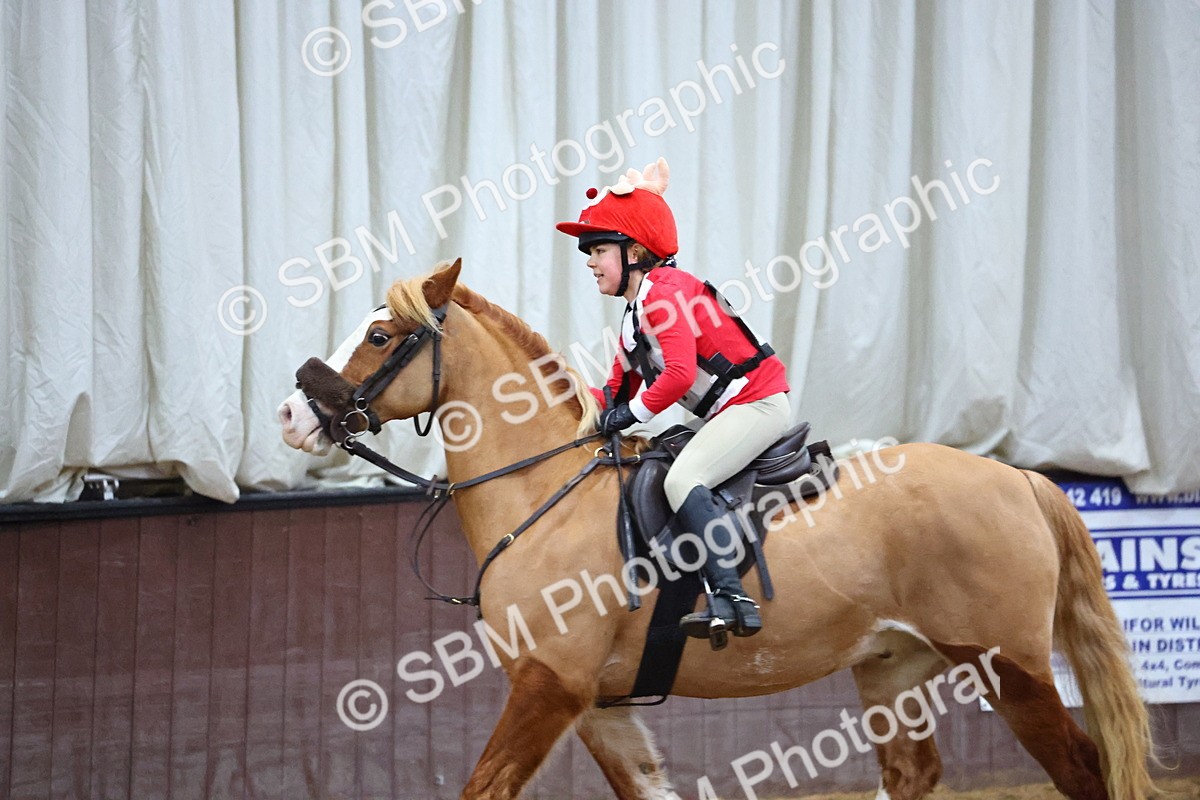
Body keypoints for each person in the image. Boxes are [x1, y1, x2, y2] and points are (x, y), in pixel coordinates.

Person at [556, 157, 791, 642]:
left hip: (759, 403)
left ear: (635, 252)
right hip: (731, 410)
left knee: (685, 477)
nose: (590, 262)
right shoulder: (633, 312)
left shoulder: (664, 294)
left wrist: (629, 415)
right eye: (590, 252)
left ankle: (732, 596)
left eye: (599, 250)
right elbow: (617, 387)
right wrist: (569, 408)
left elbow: (680, 374)